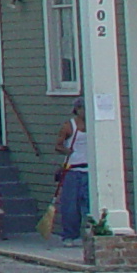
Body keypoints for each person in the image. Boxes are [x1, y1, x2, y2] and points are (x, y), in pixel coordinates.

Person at [55, 102, 91, 242]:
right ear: (78, 109)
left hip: (89, 170)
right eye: (84, 109)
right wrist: (68, 151)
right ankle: (70, 235)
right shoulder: (69, 126)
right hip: (73, 169)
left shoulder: (94, 125)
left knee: (88, 205)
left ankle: (89, 233)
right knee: (71, 206)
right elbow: (58, 146)